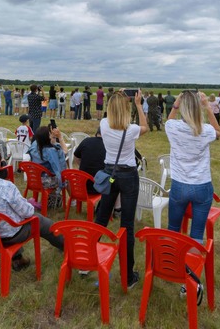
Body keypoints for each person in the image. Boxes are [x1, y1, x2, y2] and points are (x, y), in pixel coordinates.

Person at [0, 144, 64, 271]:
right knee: (38, 220)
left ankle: (17, 258)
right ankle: (67, 245)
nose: (1, 161)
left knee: (10, 216)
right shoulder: (6, 186)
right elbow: (28, 212)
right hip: (8, 235)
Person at [94, 90, 148, 289]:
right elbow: (146, 127)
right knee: (127, 225)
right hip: (128, 175)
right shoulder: (131, 129)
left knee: (101, 218)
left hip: (110, 173)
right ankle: (128, 275)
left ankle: (86, 261)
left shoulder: (103, 125)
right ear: (125, 109)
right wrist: (139, 105)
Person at [165, 91, 220, 244]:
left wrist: (176, 105)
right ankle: (193, 264)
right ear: (197, 108)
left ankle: (172, 261)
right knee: (197, 233)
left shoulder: (172, 127)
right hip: (202, 185)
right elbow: (219, 132)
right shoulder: (206, 130)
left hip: (179, 185)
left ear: (182, 108)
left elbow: (169, 119)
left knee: (173, 228)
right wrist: (208, 107)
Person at [73, 128, 106, 195]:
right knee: (114, 180)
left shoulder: (86, 141)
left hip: (81, 185)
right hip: (100, 186)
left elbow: (76, 157)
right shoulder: (109, 145)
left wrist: (84, 165)